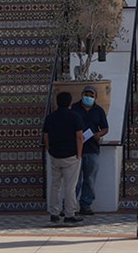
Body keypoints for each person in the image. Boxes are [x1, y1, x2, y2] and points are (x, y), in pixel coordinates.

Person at [43, 91, 84, 223]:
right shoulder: (75, 116)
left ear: (57, 102)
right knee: (70, 186)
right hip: (71, 156)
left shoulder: (50, 117)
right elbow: (79, 137)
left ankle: (54, 213)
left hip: (55, 155)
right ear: (70, 102)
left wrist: (50, 149)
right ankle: (69, 214)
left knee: (55, 185)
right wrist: (79, 154)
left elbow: (45, 137)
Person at [72, 86, 109, 215]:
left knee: (90, 179)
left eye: (91, 96)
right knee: (75, 180)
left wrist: (99, 134)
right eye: (86, 95)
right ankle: (70, 207)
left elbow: (105, 128)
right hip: (76, 150)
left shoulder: (99, 110)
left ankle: (85, 205)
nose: (88, 98)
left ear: (95, 97)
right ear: (82, 95)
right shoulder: (74, 108)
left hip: (92, 149)